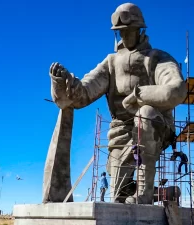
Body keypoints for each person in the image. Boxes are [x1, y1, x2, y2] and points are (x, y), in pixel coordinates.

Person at [49, 3, 187, 204]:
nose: (124, 36)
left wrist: (140, 95)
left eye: (128, 31)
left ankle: (145, 194)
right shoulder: (111, 62)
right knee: (119, 195)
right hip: (121, 132)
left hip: (155, 126)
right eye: (120, 32)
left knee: (145, 113)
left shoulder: (157, 58)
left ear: (139, 30)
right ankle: (167, 193)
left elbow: (176, 90)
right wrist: (62, 84)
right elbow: (83, 95)